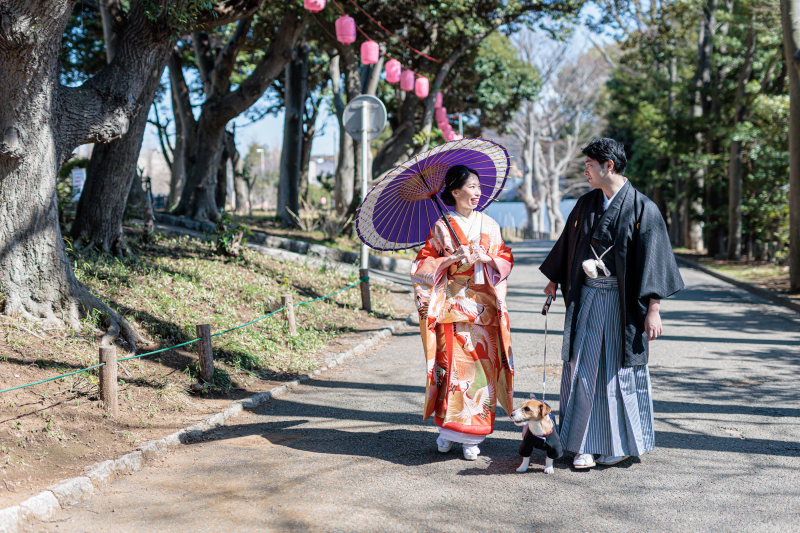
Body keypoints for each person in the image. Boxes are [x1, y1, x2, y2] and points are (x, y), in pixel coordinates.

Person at [540, 138, 684, 468]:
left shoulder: (643, 208)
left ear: (609, 166)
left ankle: (618, 443)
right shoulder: (586, 204)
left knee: (618, 374)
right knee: (584, 370)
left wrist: (654, 309)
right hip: (589, 297)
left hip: (623, 306)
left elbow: (653, 261)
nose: (586, 170)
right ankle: (583, 444)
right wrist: (553, 279)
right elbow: (568, 246)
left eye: (590, 165)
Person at [410, 165, 515, 461]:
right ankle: (447, 431)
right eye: (471, 187)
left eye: (479, 187)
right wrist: (449, 260)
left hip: (484, 311)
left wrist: (488, 258)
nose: (477, 192)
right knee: (453, 372)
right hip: (452, 309)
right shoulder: (441, 228)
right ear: (455, 192)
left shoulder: (490, 225)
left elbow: (505, 259)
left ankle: (473, 435)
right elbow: (421, 265)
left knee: (482, 373)